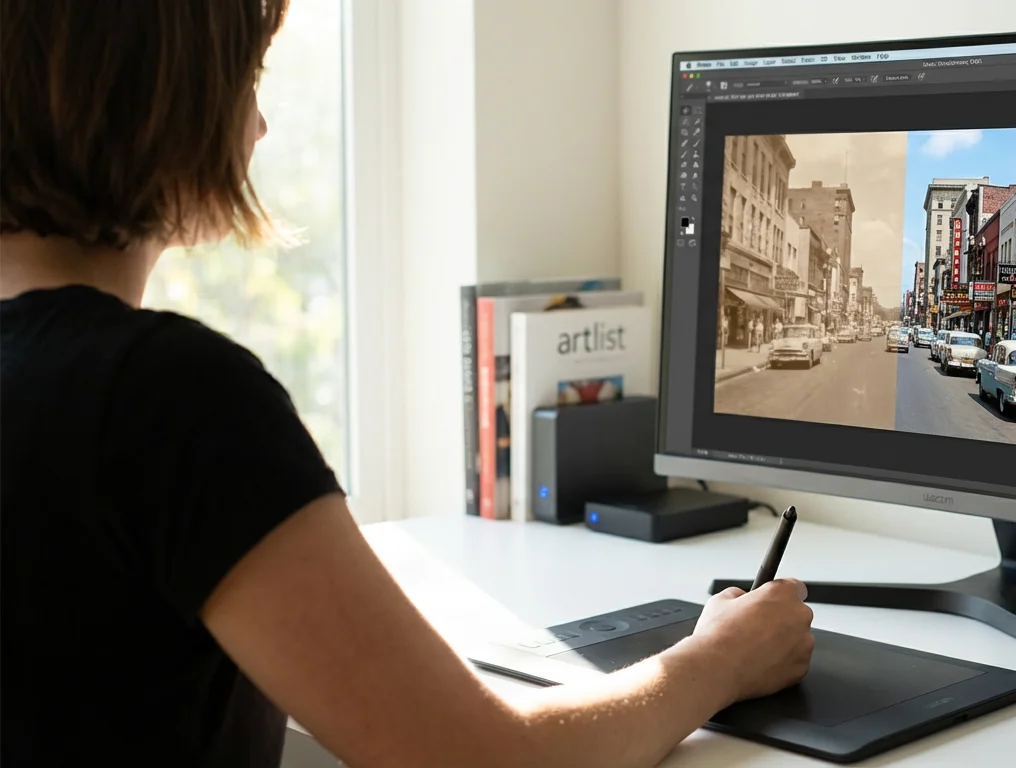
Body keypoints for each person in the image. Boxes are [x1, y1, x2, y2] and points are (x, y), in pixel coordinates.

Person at [0, 2, 815, 765]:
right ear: (165, 99)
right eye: (249, 79)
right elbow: (486, 759)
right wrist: (718, 660)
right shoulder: (165, 397)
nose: (260, 124)